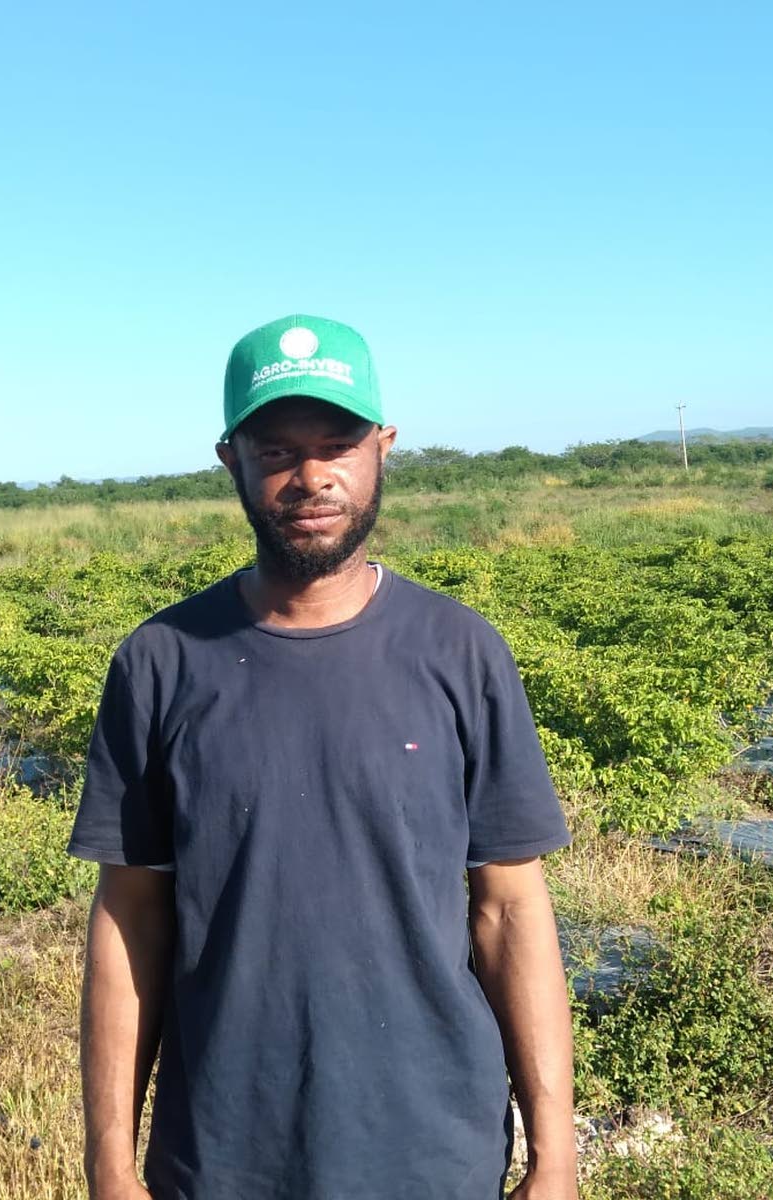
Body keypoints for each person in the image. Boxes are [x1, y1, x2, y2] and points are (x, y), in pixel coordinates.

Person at [69, 314, 578, 1200]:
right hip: (223, 1157)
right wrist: (110, 1165)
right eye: (277, 450)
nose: (312, 478)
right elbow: (130, 921)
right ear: (231, 458)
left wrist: (557, 1157)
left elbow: (509, 911)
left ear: (383, 445)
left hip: (434, 1153)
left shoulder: (460, 652)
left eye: (338, 443)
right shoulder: (159, 662)